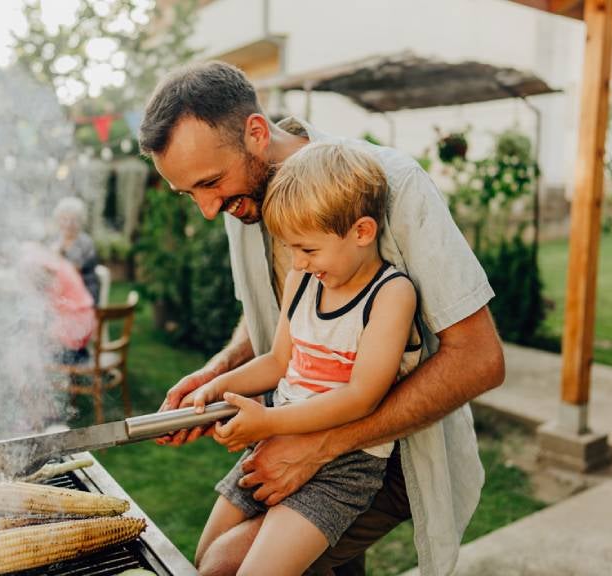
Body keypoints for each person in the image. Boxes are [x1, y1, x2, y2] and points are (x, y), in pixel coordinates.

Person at [139, 61, 505, 576]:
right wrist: (216, 375)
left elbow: (480, 359)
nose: (206, 208)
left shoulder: (394, 185)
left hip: (389, 452)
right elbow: (274, 320)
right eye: (189, 193)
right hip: (295, 426)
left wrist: (315, 447)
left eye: (210, 183)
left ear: (256, 134)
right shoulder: (242, 199)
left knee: (222, 565)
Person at [187, 142, 423, 575]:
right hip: (277, 439)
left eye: (308, 250)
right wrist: (216, 385)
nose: (297, 262)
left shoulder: (390, 295)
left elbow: (361, 398)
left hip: (344, 465)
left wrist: (268, 422)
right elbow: (278, 362)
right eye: (291, 248)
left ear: (363, 232)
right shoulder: (303, 277)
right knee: (206, 561)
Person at [51, 197, 100, 302]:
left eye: (73, 220)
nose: (69, 224)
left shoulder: (86, 242)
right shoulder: (54, 240)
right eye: (65, 219)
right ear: (58, 220)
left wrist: (60, 255)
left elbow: (76, 270)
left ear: (81, 221)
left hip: (84, 289)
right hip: (60, 289)